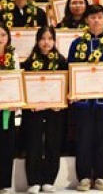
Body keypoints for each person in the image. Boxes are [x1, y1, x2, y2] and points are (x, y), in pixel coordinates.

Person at [67, 4, 103, 192]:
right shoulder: (77, 44)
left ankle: (100, 176)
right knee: (83, 138)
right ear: (86, 20)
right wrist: (72, 91)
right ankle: (83, 177)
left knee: (101, 139)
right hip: (82, 102)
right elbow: (70, 70)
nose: (96, 20)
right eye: (92, 17)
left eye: (99, 17)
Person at [21, 26, 68, 194]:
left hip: (55, 111)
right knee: (33, 144)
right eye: (42, 38)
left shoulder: (61, 61)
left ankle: (49, 180)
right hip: (34, 111)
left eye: (49, 38)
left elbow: (67, 85)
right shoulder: (29, 62)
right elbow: (24, 86)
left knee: (52, 144)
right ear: (37, 41)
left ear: (54, 40)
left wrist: (61, 102)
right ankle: (33, 181)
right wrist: (30, 103)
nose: (46, 42)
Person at [0, 26, 19, 194]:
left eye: (3, 34)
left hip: (7, 106)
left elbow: (17, 79)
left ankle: (4, 184)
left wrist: (16, 100)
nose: (0, 38)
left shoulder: (13, 56)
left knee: (6, 144)